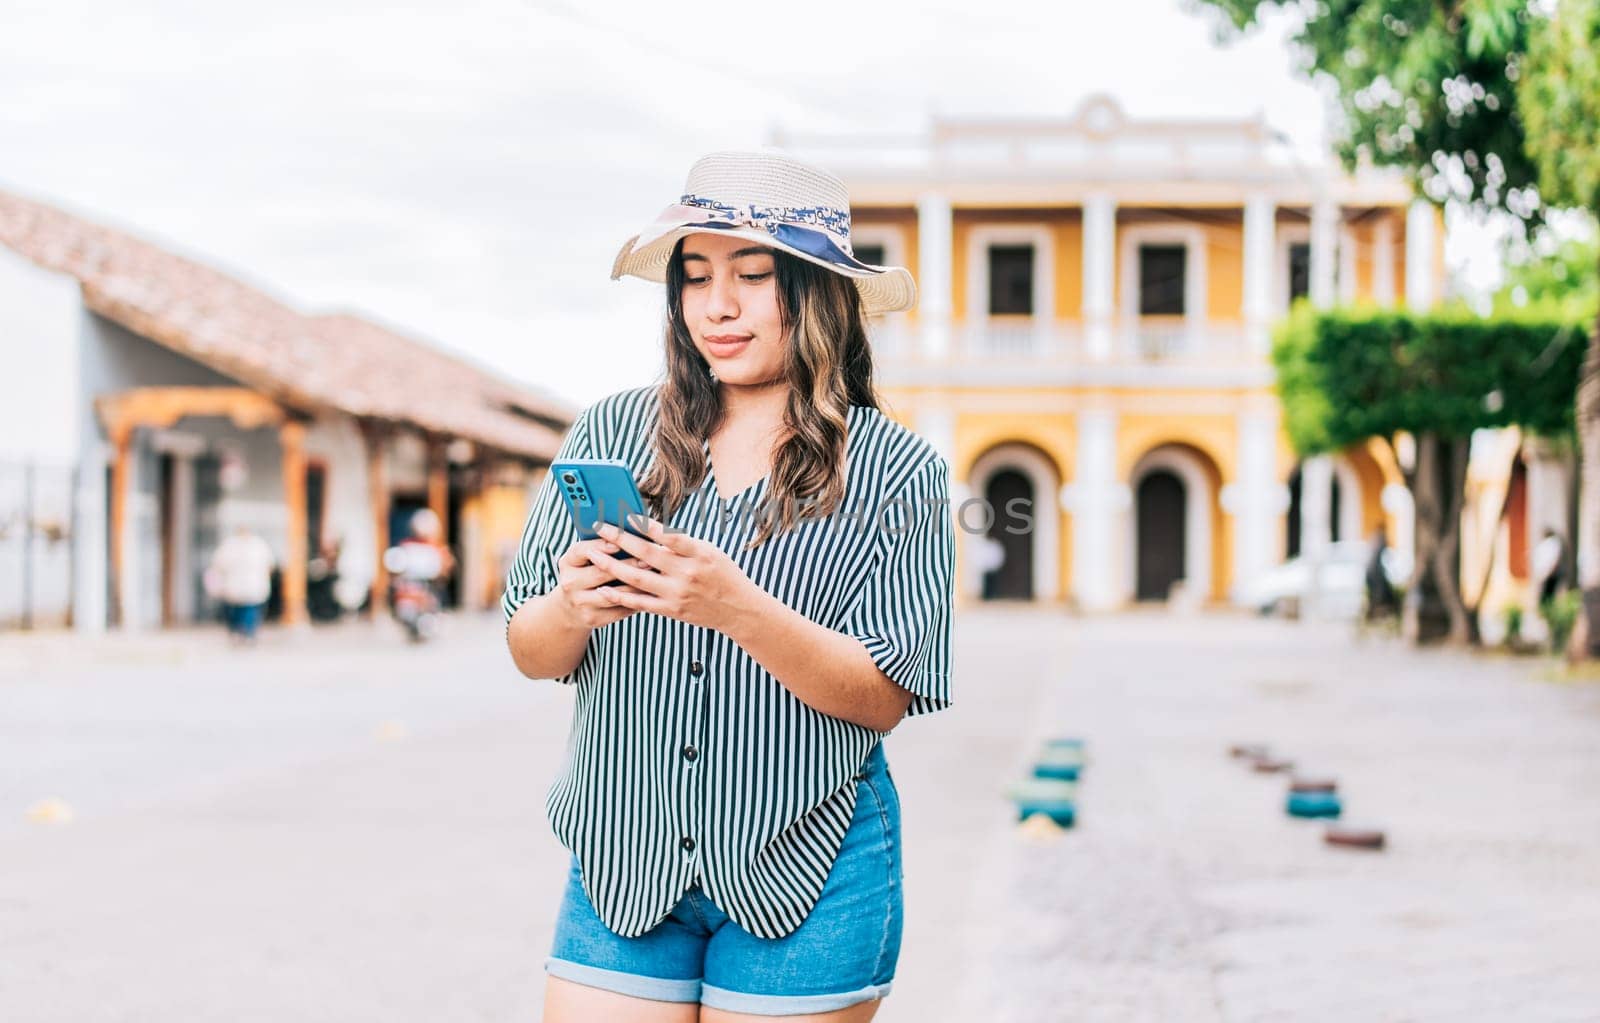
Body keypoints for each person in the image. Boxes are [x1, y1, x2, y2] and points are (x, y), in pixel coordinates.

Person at [503, 150, 953, 1023]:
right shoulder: (610, 428)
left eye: (753, 275)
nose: (718, 304)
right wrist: (573, 605)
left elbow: (886, 693)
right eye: (696, 275)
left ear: (818, 295)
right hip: (623, 861)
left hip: (808, 868)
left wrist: (734, 604)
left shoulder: (900, 469)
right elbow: (529, 646)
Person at [204, 525, 274, 643]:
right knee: (247, 610)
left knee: (240, 611)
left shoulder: (230, 546)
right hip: (249, 586)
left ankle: (240, 632)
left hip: (241, 586)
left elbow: (218, 565)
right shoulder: (258, 545)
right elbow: (270, 565)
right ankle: (247, 632)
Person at [1363, 524, 1397, 622]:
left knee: (1375, 596)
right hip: (1375, 572)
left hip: (1370, 572)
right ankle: (1375, 616)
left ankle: (1373, 615)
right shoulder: (1380, 538)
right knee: (1380, 595)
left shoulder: (1373, 538)